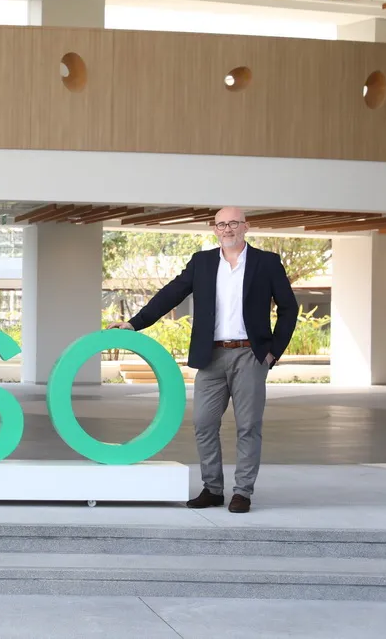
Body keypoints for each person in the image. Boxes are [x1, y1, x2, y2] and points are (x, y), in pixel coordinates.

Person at [107, 207, 298, 513]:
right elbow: (171, 294)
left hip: (250, 354)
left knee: (248, 426)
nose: (227, 229)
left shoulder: (266, 262)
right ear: (214, 229)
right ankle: (212, 489)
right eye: (221, 224)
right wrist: (135, 323)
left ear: (246, 226)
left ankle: (242, 492)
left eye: (233, 223)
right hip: (210, 356)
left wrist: (273, 350)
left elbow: (289, 308)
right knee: (203, 423)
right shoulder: (202, 262)